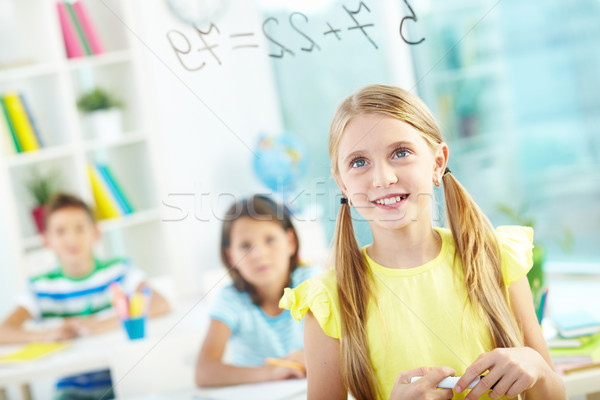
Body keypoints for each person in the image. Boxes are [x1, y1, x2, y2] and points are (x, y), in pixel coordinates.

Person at [280, 85, 566, 400]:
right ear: (342, 184)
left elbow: (552, 393)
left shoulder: (495, 258)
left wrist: (536, 367)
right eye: (359, 162)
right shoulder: (328, 300)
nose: (382, 178)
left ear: (437, 162)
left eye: (400, 153)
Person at [0, 193, 171, 399]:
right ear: (47, 240)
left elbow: (161, 303)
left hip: (122, 378)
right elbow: (4, 332)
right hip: (70, 388)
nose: (72, 239)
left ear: (96, 233)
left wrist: (101, 325)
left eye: (80, 228)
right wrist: (45, 335)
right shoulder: (40, 287)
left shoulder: (118, 271)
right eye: (61, 232)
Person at [195, 195, 319, 387]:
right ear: (230, 255)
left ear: (290, 242)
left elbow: (354, 344)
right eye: (245, 246)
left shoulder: (312, 282)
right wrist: (271, 372)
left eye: (270, 240)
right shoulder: (231, 299)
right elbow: (204, 372)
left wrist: (316, 358)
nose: (259, 254)